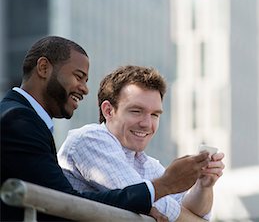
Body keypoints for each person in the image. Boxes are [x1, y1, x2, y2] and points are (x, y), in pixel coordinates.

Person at [0, 36, 210, 221]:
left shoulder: (26, 119)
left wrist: (204, 185)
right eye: (78, 76)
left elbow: (62, 200)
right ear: (44, 68)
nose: (84, 88)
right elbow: (61, 202)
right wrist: (162, 186)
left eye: (155, 114)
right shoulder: (18, 119)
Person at [57, 65, 225, 222]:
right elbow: (142, 198)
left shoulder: (148, 165)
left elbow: (194, 212)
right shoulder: (90, 140)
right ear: (108, 110)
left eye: (155, 115)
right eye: (136, 111)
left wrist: (204, 186)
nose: (147, 123)